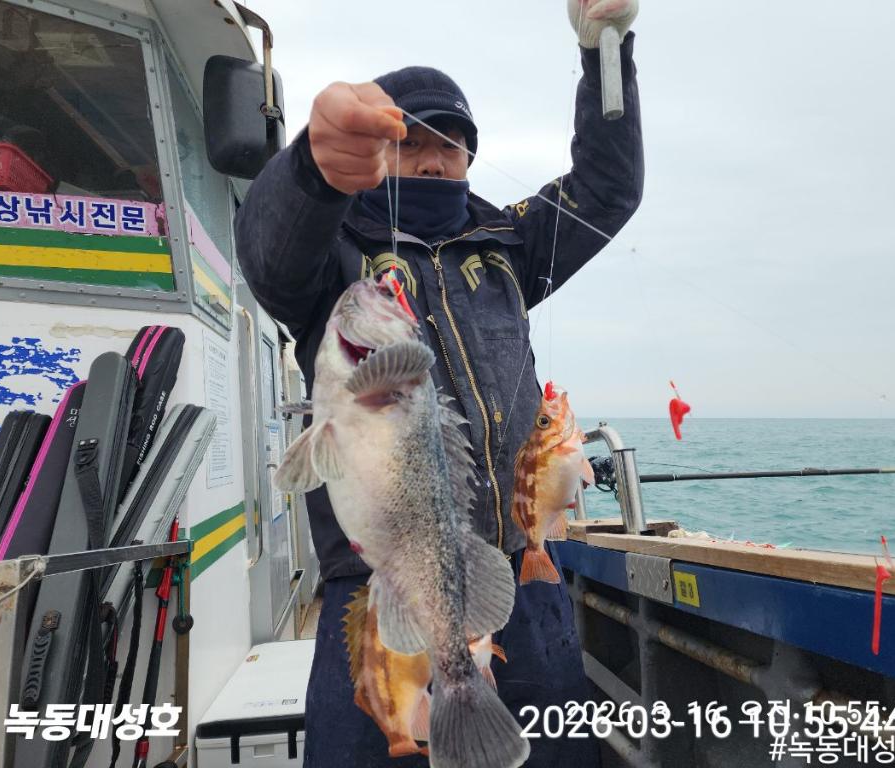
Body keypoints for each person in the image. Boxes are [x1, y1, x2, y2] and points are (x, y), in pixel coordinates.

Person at [235, 1, 644, 765]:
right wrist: (311, 173)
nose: (431, 161)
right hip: (378, 582)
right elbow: (268, 250)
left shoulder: (509, 243)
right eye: (412, 142)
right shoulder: (329, 255)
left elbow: (607, 191)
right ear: (376, 154)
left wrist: (606, 52)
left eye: (449, 145)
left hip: (515, 578)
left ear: (469, 158)